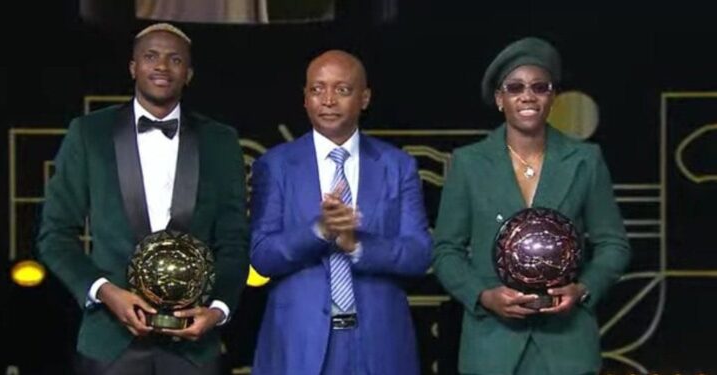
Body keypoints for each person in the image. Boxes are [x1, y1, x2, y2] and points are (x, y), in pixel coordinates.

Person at [37, 23, 249, 375]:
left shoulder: (220, 141)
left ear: (189, 73)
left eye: (175, 59)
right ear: (133, 67)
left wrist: (218, 309)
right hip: (109, 343)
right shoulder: (89, 134)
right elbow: (54, 235)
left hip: (194, 346)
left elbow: (234, 240)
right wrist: (105, 292)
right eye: (151, 57)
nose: (162, 67)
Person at [432, 37, 631, 375]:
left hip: (567, 349)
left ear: (552, 96)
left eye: (539, 87)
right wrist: (483, 296)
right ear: (499, 98)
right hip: (491, 350)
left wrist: (583, 289)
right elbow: (446, 251)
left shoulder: (585, 160)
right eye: (515, 87)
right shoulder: (468, 163)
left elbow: (614, 244)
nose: (527, 96)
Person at [249, 49, 432, 375]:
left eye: (342, 90)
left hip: (378, 341)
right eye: (317, 89)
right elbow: (262, 255)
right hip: (299, 340)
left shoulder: (397, 165)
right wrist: (318, 231)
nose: (328, 100)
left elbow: (419, 254)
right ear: (305, 98)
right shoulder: (275, 165)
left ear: (364, 98)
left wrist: (357, 245)